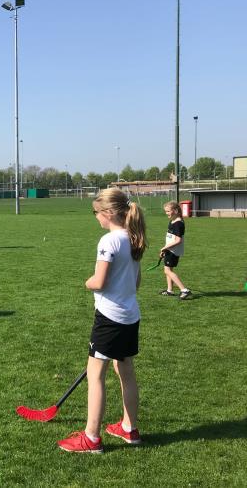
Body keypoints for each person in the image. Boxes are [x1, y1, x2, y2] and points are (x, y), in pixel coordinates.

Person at [58, 188, 147, 453]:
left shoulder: (108, 241)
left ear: (108, 213)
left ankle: (91, 437)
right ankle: (130, 429)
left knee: (96, 375)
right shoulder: (133, 238)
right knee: (126, 371)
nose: (95, 217)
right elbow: (137, 281)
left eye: (96, 212)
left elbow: (99, 281)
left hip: (110, 317)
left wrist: (87, 283)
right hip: (130, 315)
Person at [159, 201, 191, 300]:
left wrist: (165, 248)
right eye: (166, 211)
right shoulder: (172, 221)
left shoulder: (178, 223)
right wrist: (165, 248)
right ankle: (170, 290)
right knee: (169, 269)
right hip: (169, 249)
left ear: (176, 211)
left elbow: (178, 240)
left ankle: (184, 290)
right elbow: (170, 238)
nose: (167, 213)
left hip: (173, 250)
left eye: (168, 211)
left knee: (167, 270)